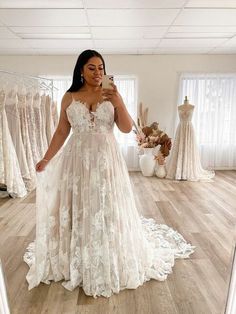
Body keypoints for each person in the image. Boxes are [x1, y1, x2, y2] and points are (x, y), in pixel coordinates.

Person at [24, 50, 195, 298]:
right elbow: (62, 131)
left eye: (101, 67)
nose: (97, 72)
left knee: (107, 204)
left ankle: (108, 248)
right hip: (77, 160)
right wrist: (46, 158)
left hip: (106, 160)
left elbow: (126, 128)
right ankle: (77, 251)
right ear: (80, 70)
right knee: (78, 205)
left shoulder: (112, 94)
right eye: (91, 68)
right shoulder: (69, 97)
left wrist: (117, 101)